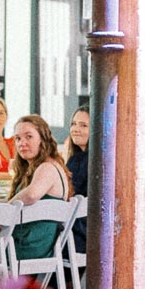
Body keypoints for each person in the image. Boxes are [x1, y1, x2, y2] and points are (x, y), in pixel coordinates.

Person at [10, 115, 73, 261]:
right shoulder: (39, 167)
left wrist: (4, 213)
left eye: (29, 137)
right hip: (32, 245)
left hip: (29, 247)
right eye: (18, 138)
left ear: (43, 139)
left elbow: (31, 195)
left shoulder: (47, 167)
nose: (22, 143)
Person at [65, 107, 89, 253]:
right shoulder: (76, 158)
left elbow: (68, 194)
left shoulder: (84, 160)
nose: (76, 129)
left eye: (83, 125)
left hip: (80, 232)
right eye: (73, 124)